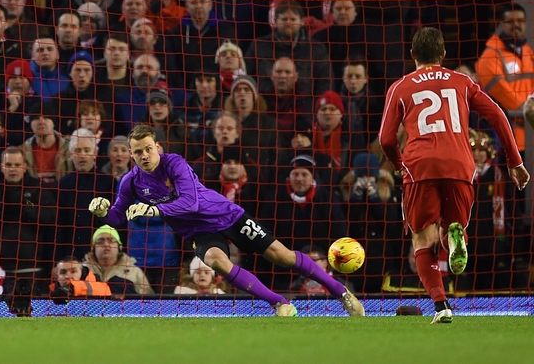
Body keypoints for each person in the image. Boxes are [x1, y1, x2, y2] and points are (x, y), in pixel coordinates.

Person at [89, 124, 364, 317]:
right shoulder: (130, 182)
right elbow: (117, 217)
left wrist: (155, 211)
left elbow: (190, 202)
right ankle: (279, 303)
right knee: (217, 260)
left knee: (282, 256)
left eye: (148, 149)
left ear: (157, 146)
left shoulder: (175, 164)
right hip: (198, 231)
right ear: (131, 154)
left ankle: (343, 293)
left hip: (227, 215)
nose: (144, 156)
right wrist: (103, 212)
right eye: (137, 152)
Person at [379, 27, 530, 324]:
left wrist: (400, 164)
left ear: (412, 55)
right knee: (452, 226)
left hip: (420, 166)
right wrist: (514, 161)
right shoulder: (462, 81)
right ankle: (453, 239)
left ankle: (441, 306)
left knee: (422, 239)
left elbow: (385, 139)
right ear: (444, 55)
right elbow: (498, 115)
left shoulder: (401, 87)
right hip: (460, 165)